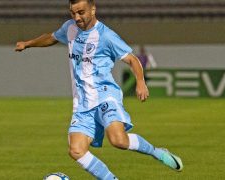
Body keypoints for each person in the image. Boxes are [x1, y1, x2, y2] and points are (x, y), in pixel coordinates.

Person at [15, 0, 183, 179]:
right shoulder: (70, 28)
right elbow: (52, 37)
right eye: (73, 13)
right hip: (81, 103)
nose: (77, 17)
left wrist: (140, 82)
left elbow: (133, 59)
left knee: (118, 140)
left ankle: (156, 152)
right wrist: (28, 43)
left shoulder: (106, 36)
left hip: (105, 96)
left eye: (81, 12)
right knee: (76, 150)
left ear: (93, 9)